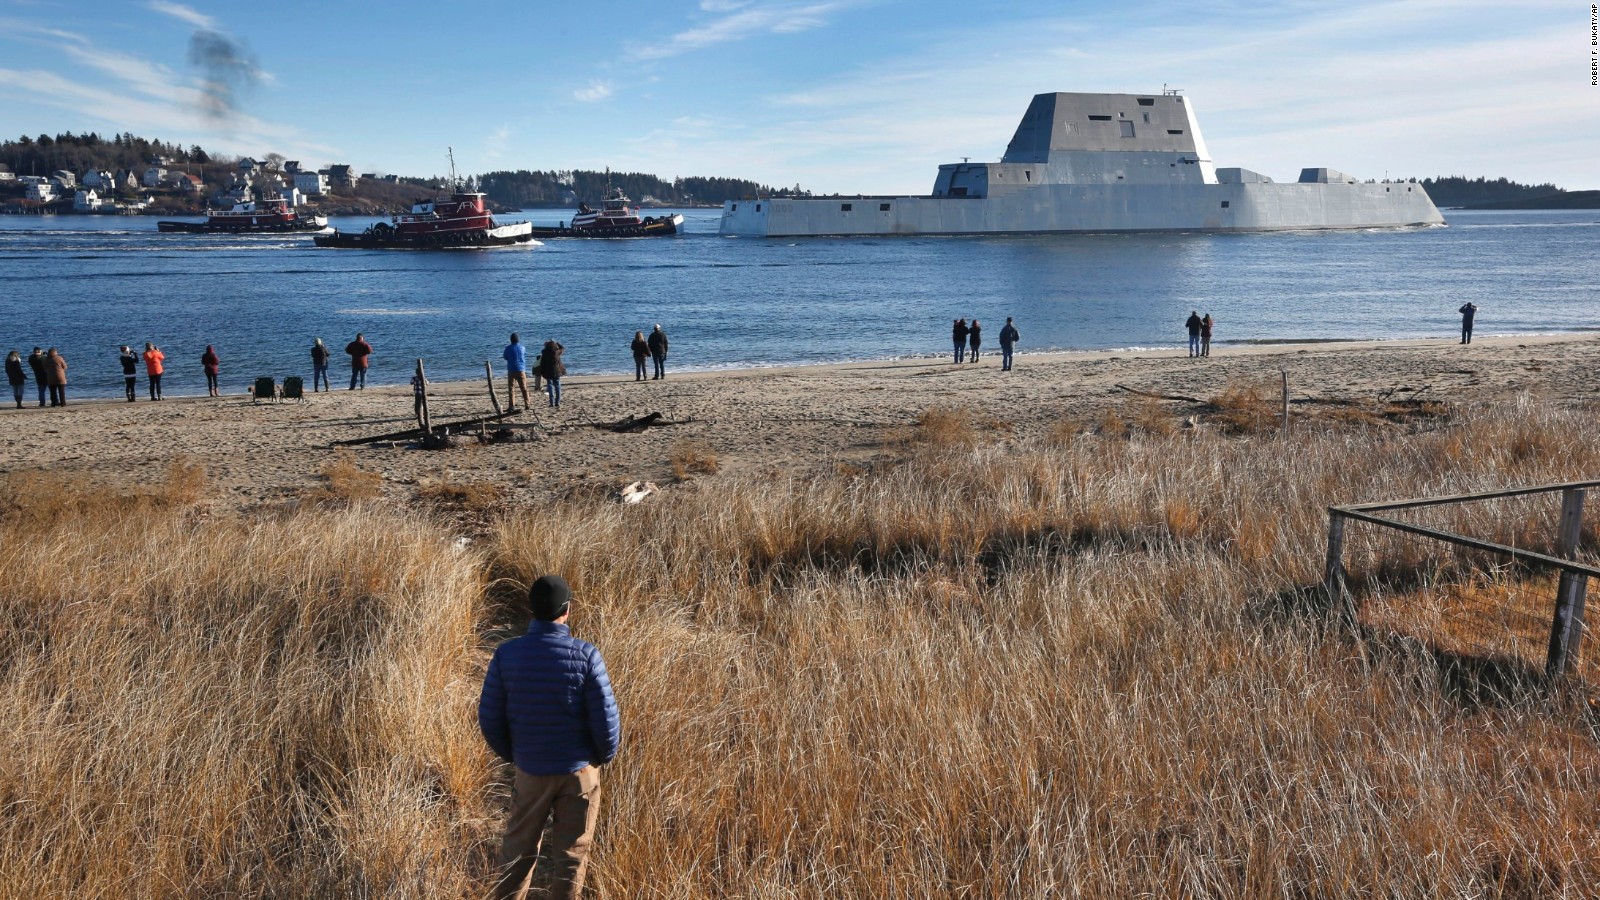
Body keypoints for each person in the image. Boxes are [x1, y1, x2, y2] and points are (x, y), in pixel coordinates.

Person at [479, 575, 620, 900]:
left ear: (532, 610)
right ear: (566, 610)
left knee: (518, 853)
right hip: (578, 775)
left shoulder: (506, 655)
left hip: (531, 771)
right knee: (571, 858)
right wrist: (599, 759)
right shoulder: (586, 656)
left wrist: (516, 755)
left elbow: (489, 717)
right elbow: (606, 720)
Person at [503, 333, 531, 410]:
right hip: (521, 369)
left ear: (511, 340)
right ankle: (527, 403)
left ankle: (512, 405)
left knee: (511, 388)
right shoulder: (522, 347)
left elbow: (505, 357)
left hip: (511, 369)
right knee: (524, 388)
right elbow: (524, 355)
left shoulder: (508, 348)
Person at [538, 339, 566, 409]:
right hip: (557, 371)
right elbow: (562, 348)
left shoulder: (545, 353)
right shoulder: (557, 352)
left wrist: (541, 372)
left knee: (550, 386)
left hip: (548, 372)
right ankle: (557, 402)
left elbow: (542, 363)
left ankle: (551, 402)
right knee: (557, 386)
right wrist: (557, 343)